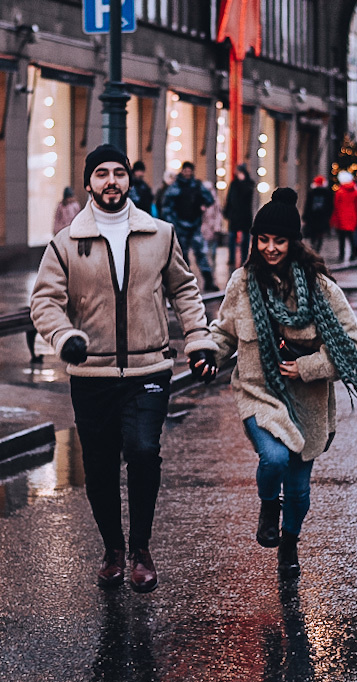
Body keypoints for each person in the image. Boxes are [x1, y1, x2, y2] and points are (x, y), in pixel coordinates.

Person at [30, 144, 217, 591]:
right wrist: (65, 338)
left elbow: (185, 291)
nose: (110, 181)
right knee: (98, 466)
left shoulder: (160, 234)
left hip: (149, 370)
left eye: (118, 172)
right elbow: (44, 303)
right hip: (91, 375)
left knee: (142, 450)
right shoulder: (66, 243)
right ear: (89, 183)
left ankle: (141, 548)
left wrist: (199, 339)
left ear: (129, 179)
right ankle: (113, 549)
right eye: (101, 174)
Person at [208, 187, 357, 579]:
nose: (270, 248)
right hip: (258, 392)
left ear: (293, 242)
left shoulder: (320, 288)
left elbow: (353, 344)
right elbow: (224, 334)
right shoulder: (242, 282)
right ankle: (269, 504)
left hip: (308, 403)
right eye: (263, 239)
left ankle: (289, 544)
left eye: (279, 240)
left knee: (300, 492)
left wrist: (308, 366)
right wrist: (208, 356)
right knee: (274, 459)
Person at [161, 160, 218, 292]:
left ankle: (208, 281)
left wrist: (201, 204)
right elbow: (166, 206)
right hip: (181, 226)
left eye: (189, 170)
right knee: (182, 256)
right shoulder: (176, 187)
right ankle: (185, 283)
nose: (187, 173)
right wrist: (173, 223)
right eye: (185, 170)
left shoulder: (197, 185)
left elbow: (209, 199)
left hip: (194, 225)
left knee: (201, 254)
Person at [223, 164, 254, 269]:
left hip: (245, 215)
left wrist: (243, 182)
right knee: (232, 237)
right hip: (234, 215)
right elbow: (229, 198)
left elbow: (248, 195)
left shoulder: (249, 183)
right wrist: (227, 212)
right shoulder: (234, 184)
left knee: (245, 238)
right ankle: (231, 258)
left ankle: (245, 258)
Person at [331, 169, 357, 263]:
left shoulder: (339, 192)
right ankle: (354, 253)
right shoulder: (355, 191)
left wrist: (334, 218)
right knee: (351, 237)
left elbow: (336, 206)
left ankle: (342, 254)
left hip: (341, 217)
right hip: (352, 217)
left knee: (342, 238)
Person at [303, 175, 333, 251]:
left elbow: (307, 205)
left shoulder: (311, 192)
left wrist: (305, 216)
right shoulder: (327, 193)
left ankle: (313, 246)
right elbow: (330, 206)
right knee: (320, 234)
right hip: (322, 217)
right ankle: (317, 248)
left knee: (313, 233)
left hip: (312, 217)